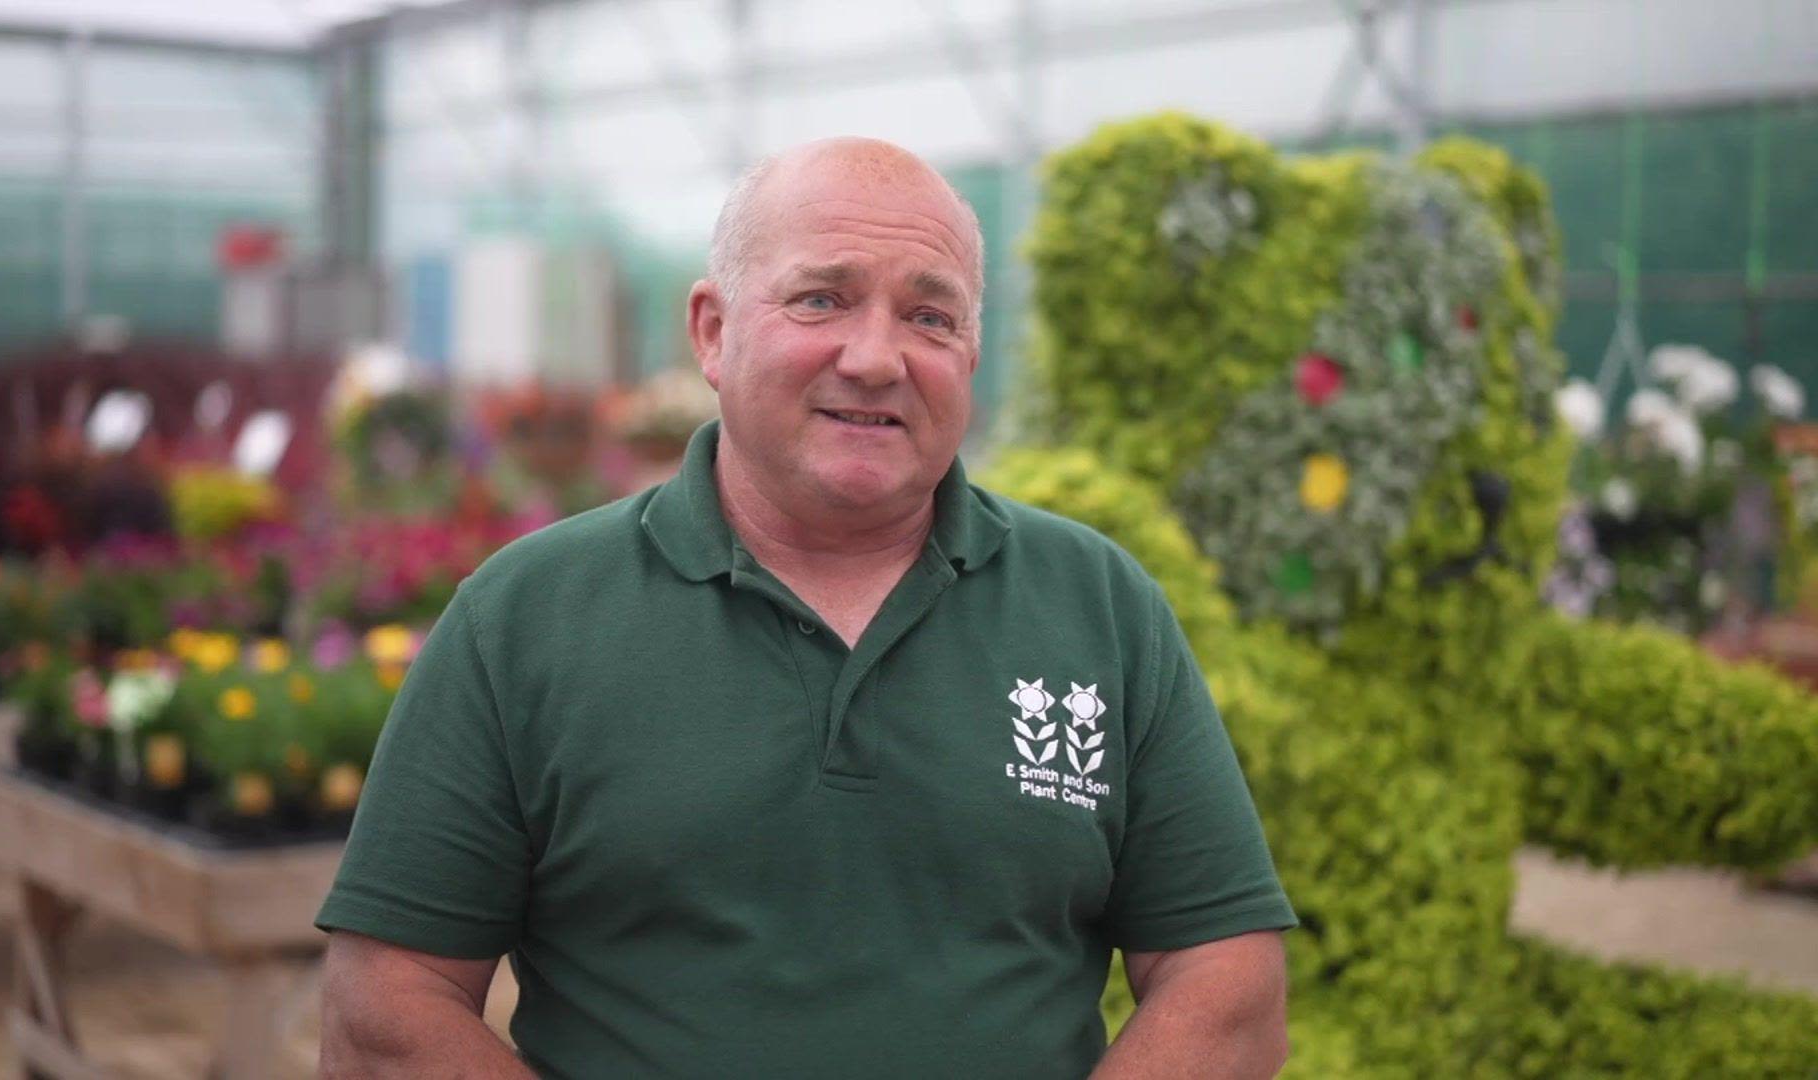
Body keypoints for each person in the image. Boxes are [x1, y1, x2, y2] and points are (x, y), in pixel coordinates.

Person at [316, 137, 1296, 1079]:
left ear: (971, 351)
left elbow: (1226, 975)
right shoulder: (526, 617)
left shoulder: (1098, 605)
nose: (876, 357)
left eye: (930, 316)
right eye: (822, 299)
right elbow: (387, 1007)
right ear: (712, 329)